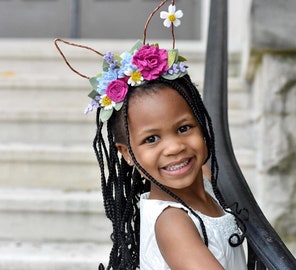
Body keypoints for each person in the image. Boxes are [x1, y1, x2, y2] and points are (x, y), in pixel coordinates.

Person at [55, 1, 248, 269]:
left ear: (202, 125)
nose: (174, 147)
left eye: (183, 128)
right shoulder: (172, 221)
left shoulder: (202, 183)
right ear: (127, 153)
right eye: (151, 139)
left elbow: (205, 164)